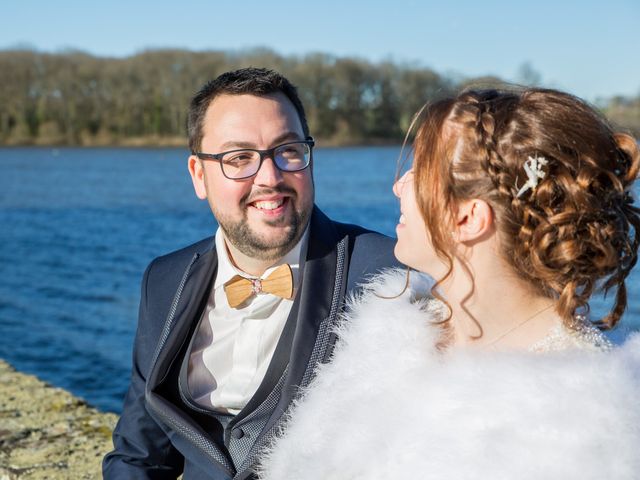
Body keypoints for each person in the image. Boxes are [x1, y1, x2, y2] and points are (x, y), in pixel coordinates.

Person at [259, 88, 640, 479]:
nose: (398, 187)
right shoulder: (388, 335)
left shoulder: (584, 422)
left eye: (418, 173)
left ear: (468, 219)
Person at [102, 67, 398, 479]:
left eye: (288, 150)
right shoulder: (163, 280)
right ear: (198, 175)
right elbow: (139, 455)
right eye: (238, 158)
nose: (270, 177)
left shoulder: (386, 276)